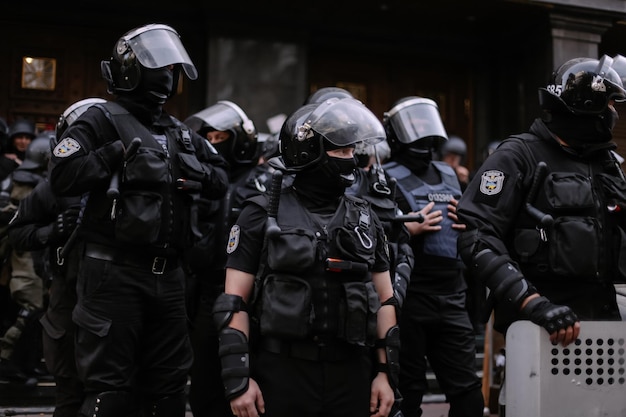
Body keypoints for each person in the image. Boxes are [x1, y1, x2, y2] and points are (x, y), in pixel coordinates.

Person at [49, 23, 229, 417]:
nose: (166, 75)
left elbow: (220, 178)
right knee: (109, 390)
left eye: (171, 68)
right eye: (158, 66)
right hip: (113, 272)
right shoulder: (99, 119)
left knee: (167, 389)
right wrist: (110, 156)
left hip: (170, 277)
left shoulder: (178, 132)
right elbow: (62, 176)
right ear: (130, 70)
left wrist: (195, 175)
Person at [214, 97, 397, 417]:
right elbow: (234, 302)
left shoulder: (365, 217)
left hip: (352, 371)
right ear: (309, 153)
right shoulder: (259, 213)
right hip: (282, 371)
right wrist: (238, 381)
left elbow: (386, 301)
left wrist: (385, 374)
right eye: (341, 151)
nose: (351, 160)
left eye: (353, 151)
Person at [456, 55, 626, 349]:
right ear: (589, 106)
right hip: (540, 329)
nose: (614, 113)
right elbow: (477, 237)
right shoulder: (517, 155)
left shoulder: (606, 163)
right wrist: (534, 304)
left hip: (605, 325)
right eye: (610, 103)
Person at [382, 96, 484, 417]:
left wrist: (469, 222)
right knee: (408, 390)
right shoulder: (384, 176)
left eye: (427, 123)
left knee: (467, 392)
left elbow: (473, 225)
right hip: (409, 296)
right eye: (416, 125)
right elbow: (366, 235)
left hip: (453, 294)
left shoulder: (450, 174)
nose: (423, 132)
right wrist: (406, 230)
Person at [7, 98, 106, 417]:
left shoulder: (130, 183)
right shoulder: (55, 187)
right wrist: (51, 232)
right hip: (66, 293)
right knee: (68, 391)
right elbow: (17, 232)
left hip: (113, 298)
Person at [183, 100, 259, 417]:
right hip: (207, 292)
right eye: (209, 139)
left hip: (251, 296)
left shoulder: (265, 179)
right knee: (203, 385)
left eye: (221, 138)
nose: (214, 145)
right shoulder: (206, 181)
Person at [0, 134, 52, 386]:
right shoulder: (25, 183)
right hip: (26, 258)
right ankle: (8, 361)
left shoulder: (33, 180)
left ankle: (29, 364)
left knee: (38, 312)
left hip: (36, 256)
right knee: (30, 311)